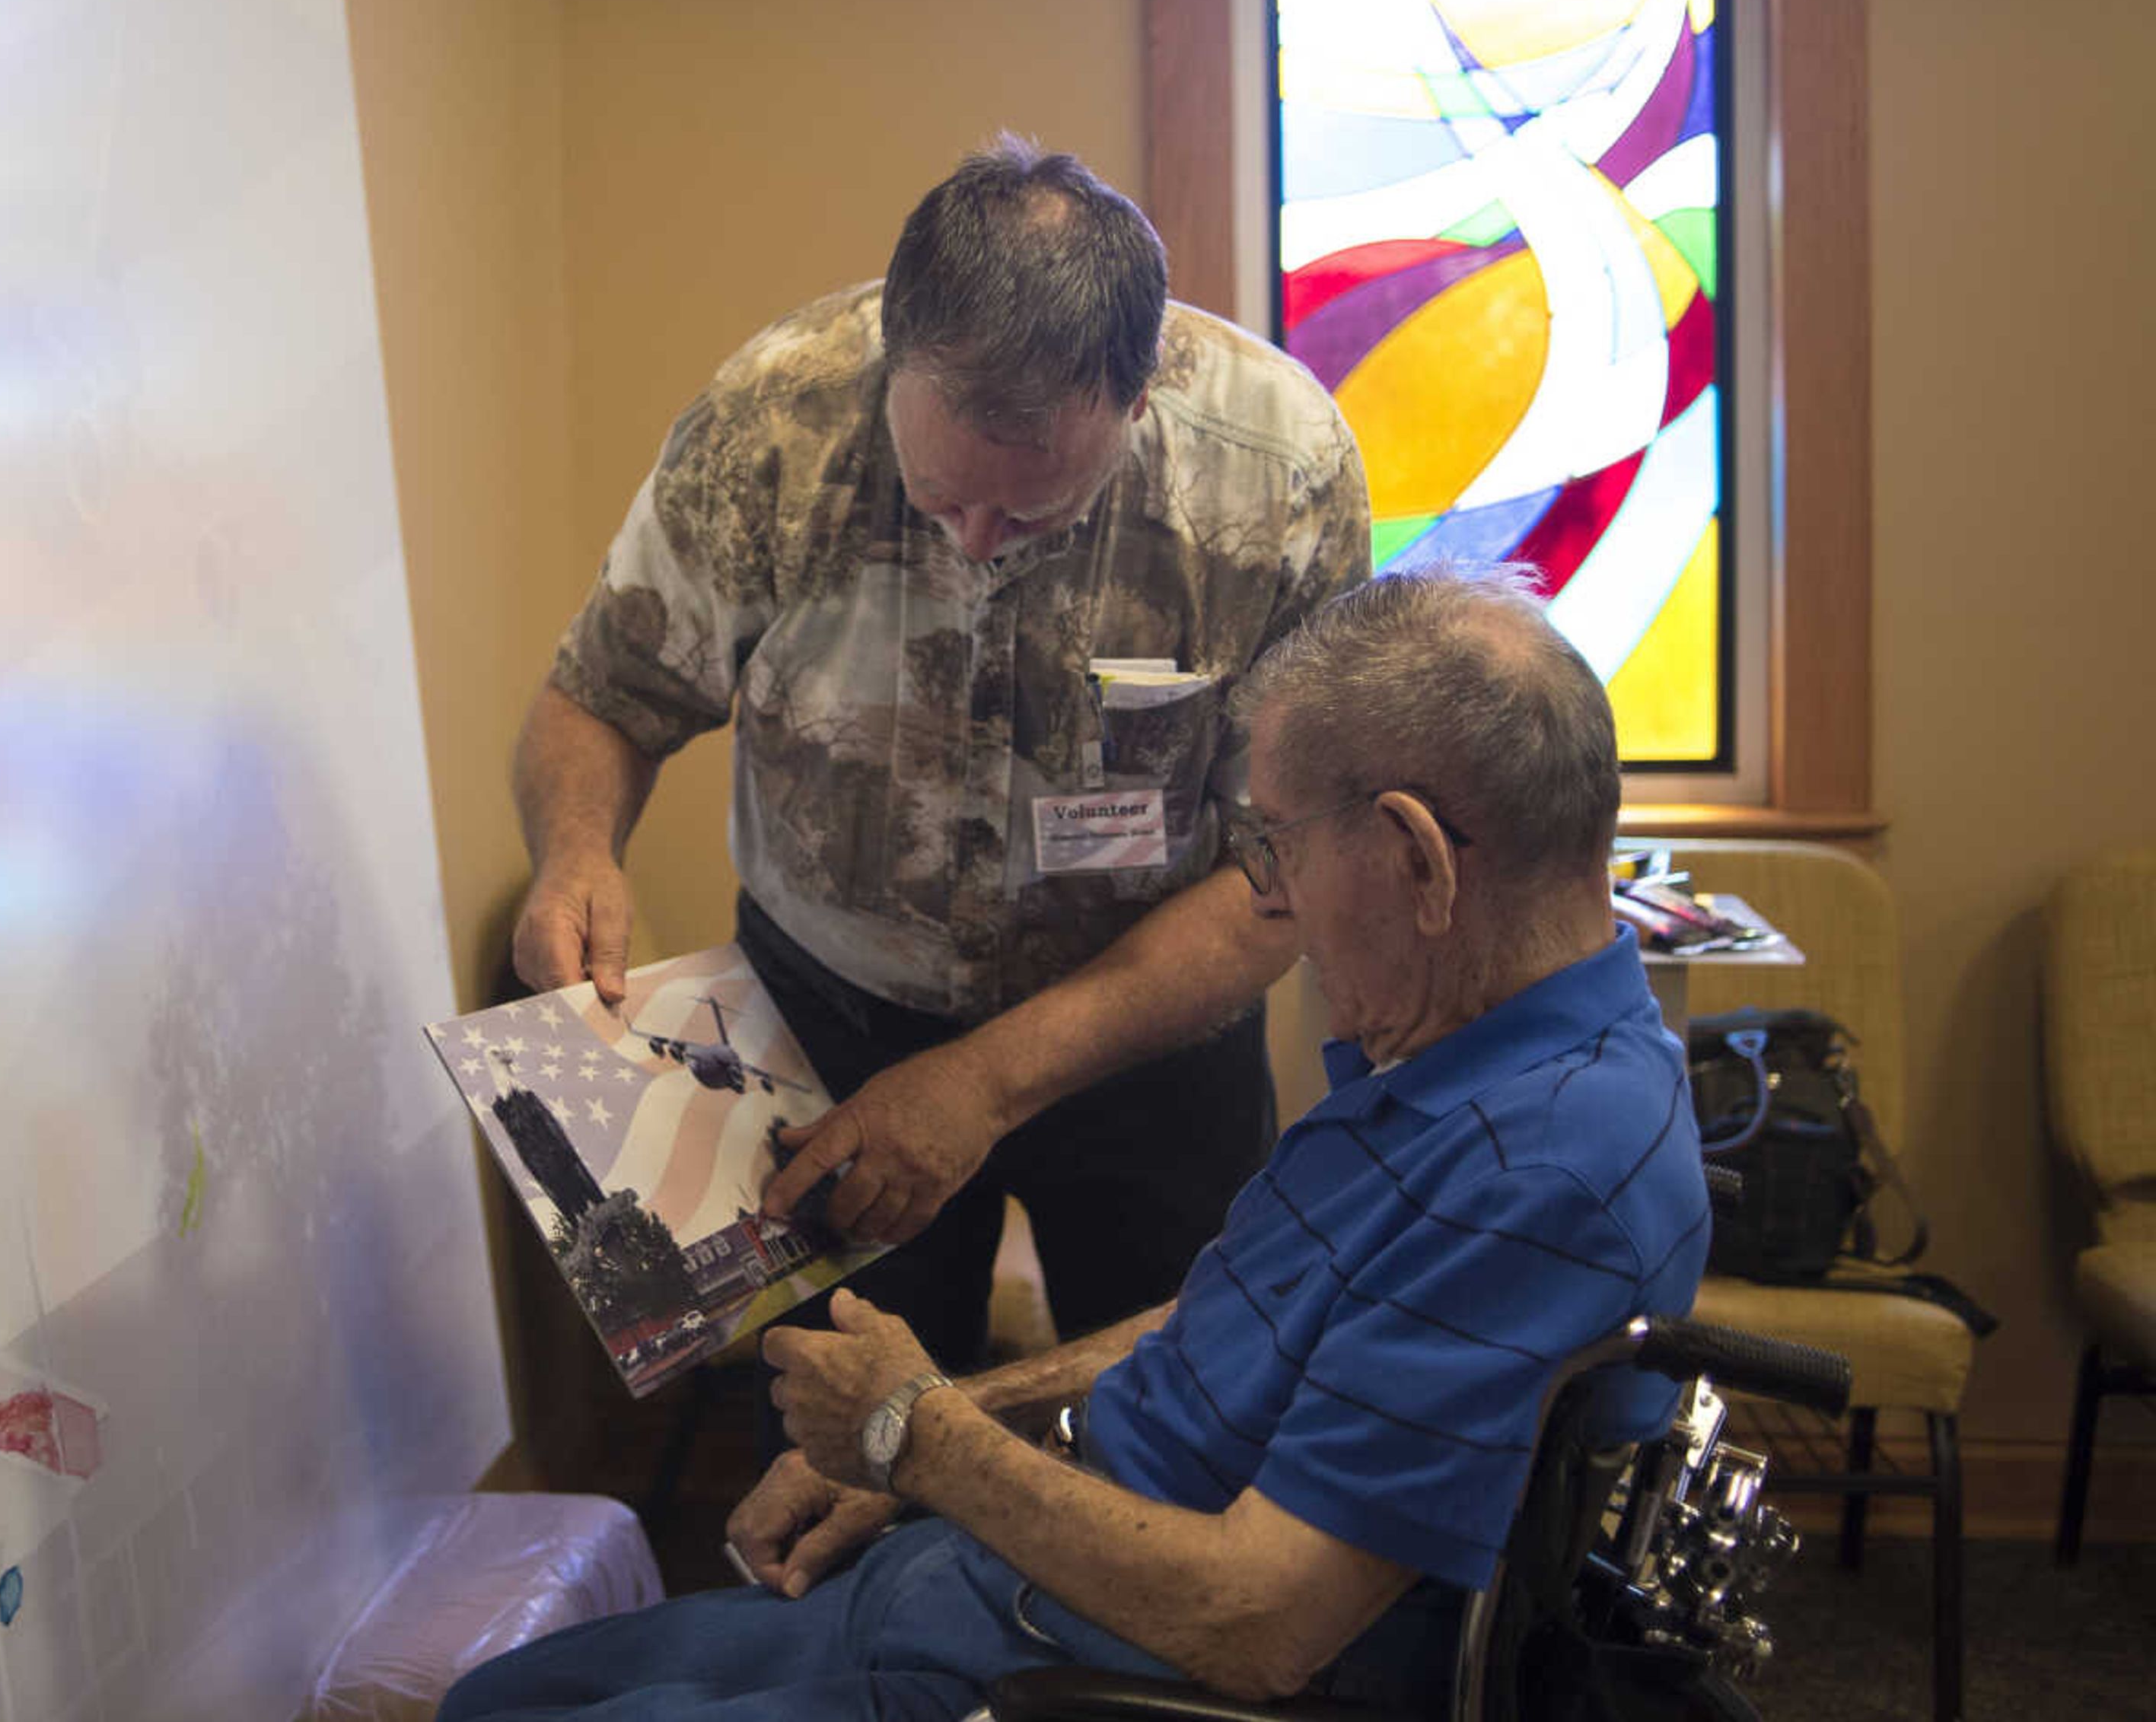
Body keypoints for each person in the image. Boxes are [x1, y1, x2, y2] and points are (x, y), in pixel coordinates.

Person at [442, 563, 1713, 1718]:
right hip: (1001, 1579)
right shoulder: (1476, 1065)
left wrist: (917, 1437)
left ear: (1419, 861)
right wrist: (942, 1425)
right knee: (494, 1703)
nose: (1277, 908)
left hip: (1064, 1675)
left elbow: (1260, 1623)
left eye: (1276, 848)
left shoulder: (1536, 1174)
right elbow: (1219, 1336)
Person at [510, 138, 1370, 1373]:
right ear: (894, 363)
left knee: (1178, 1437)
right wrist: (575, 851)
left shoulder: (1279, 474)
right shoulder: (775, 425)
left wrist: (984, 1083)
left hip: (1152, 1043)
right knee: (839, 1454)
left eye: (1030, 514)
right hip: (831, 1029)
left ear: (1137, 401)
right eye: (937, 498)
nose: (974, 545)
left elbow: (1288, 870)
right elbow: (602, 695)